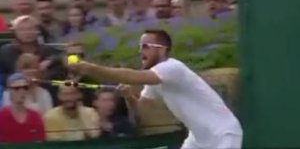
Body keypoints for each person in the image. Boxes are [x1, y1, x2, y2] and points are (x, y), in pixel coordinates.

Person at [69, 29, 243, 148]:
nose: (140, 51)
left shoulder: (173, 67)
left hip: (223, 134)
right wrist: (129, 97)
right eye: (139, 47)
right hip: (198, 140)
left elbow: (131, 76)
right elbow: (143, 108)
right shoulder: (155, 78)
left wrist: (89, 68)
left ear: (163, 50)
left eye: (145, 46)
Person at [0, 15, 60, 84]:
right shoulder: (5, 51)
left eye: (31, 29)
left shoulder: (47, 50)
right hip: (13, 88)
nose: (27, 33)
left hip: (43, 87)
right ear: (15, 32)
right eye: (22, 29)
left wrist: (51, 60)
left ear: (38, 31)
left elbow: (62, 57)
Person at [0, 73, 45, 143]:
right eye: (16, 88)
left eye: (25, 88)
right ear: (9, 90)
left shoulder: (36, 117)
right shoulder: (1, 117)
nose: (22, 91)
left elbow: (40, 144)